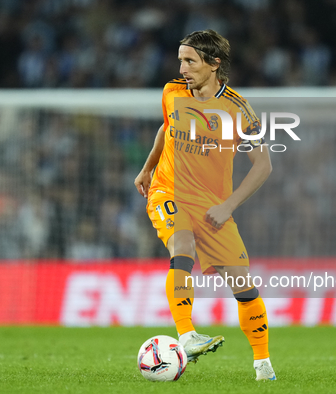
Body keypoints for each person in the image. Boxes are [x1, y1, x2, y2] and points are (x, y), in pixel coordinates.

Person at [134, 29, 275, 381]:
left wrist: (228, 205)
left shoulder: (238, 108)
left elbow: (264, 164)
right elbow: (166, 130)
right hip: (169, 191)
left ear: (214, 64)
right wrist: (148, 168)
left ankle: (263, 364)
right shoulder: (172, 92)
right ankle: (187, 334)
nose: (182, 67)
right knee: (182, 247)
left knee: (244, 288)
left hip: (213, 207)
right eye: (180, 59)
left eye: (190, 61)